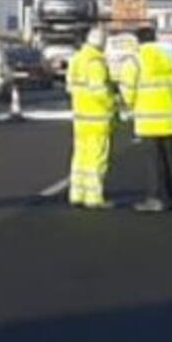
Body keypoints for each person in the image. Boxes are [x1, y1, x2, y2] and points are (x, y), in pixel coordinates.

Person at [119, 26, 172, 213]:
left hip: (147, 119)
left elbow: (127, 88)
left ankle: (155, 198)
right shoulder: (169, 58)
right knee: (169, 160)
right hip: (169, 117)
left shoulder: (135, 60)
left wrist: (131, 105)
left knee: (153, 161)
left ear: (138, 41)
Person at [65, 26, 117, 209]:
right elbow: (99, 91)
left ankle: (77, 193)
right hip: (97, 117)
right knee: (96, 157)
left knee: (80, 156)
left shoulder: (77, 59)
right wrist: (114, 102)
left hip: (81, 116)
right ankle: (94, 197)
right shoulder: (96, 61)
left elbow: (70, 87)